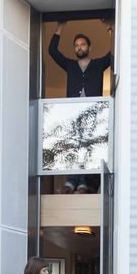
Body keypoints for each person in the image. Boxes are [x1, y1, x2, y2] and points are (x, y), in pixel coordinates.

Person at [48, 21, 113, 193]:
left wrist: (109, 29)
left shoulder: (98, 64)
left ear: (89, 48)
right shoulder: (70, 65)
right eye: (76, 45)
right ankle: (73, 182)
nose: (79, 47)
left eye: (82, 44)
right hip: (73, 114)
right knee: (75, 147)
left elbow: (115, 52)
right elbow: (52, 51)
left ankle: (80, 182)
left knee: (85, 147)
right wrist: (59, 29)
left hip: (92, 114)